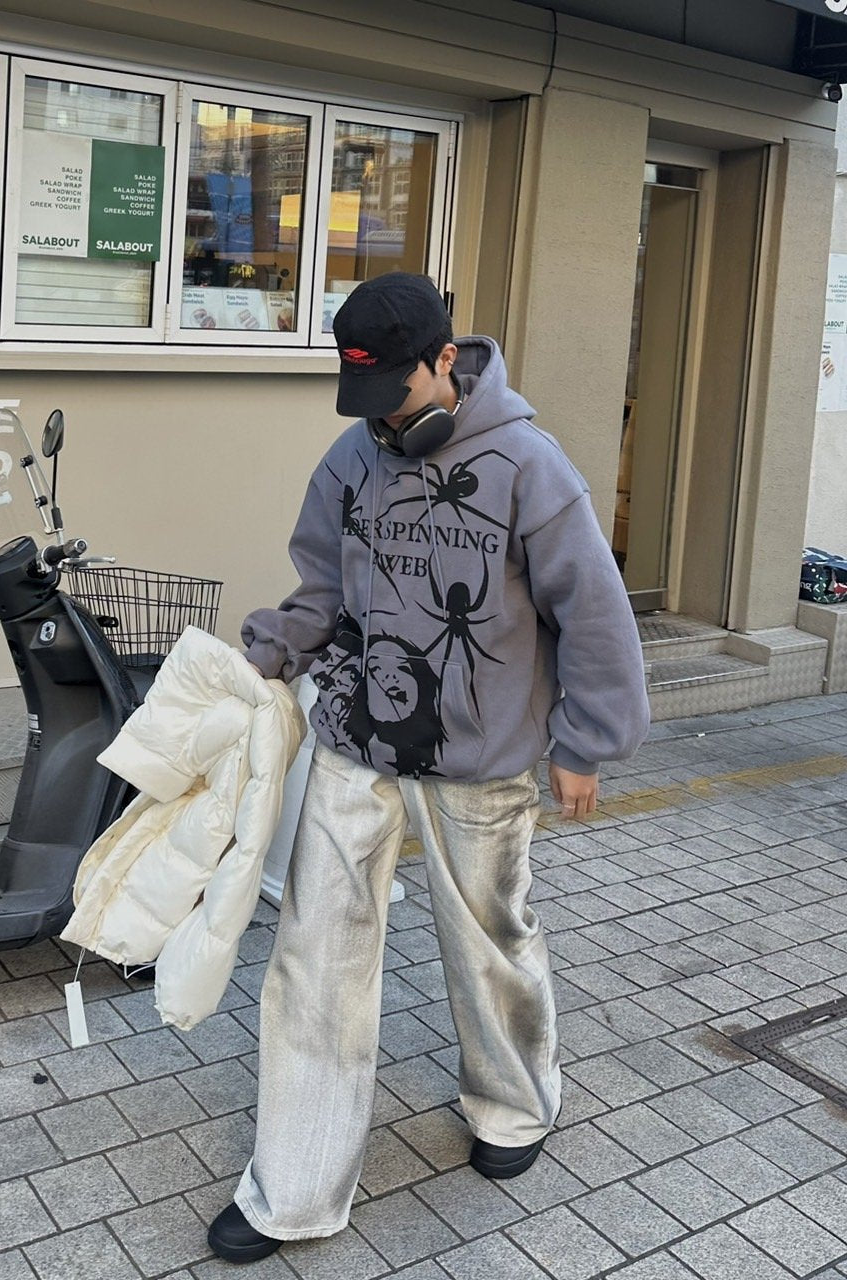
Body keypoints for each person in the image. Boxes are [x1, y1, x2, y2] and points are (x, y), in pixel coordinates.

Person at [207, 273, 650, 1264]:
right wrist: (268, 649)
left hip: (483, 753)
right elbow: (320, 584)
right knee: (313, 954)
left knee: (487, 935)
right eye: (359, 401)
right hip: (357, 733)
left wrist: (585, 742)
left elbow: (591, 611)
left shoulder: (530, 467)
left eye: (393, 397)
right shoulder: (348, 459)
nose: (377, 421)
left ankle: (512, 1104)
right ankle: (294, 1185)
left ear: (444, 360)